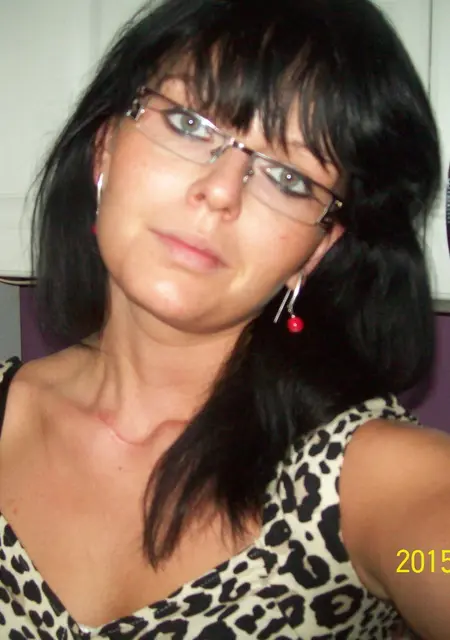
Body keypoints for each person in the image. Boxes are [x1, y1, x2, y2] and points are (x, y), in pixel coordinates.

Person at [0, 0, 448, 637]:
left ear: (316, 249)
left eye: (288, 178)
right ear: (105, 149)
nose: (220, 191)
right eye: (189, 123)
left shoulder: (370, 481)